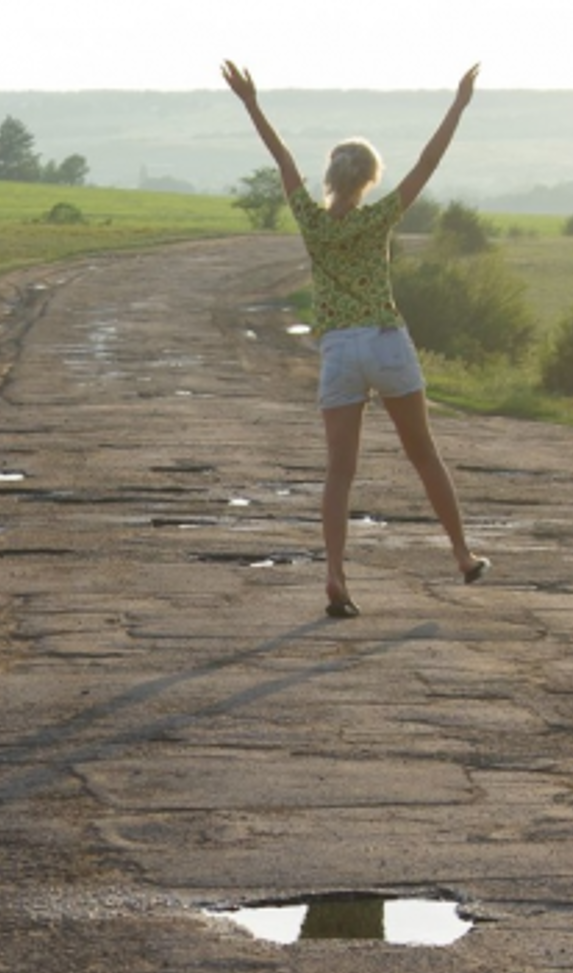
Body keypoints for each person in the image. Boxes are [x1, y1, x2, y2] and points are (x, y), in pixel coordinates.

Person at [221, 60, 490, 618]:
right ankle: (462, 555)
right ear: (367, 180)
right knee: (423, 455)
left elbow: (282, 158)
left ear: (331, 179)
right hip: (387, 342)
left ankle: (337, 576)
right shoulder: (379, 218)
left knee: (339, 472)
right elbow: (427, 163)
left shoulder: (311, 222)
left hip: (339, 350)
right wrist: (459, 104)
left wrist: (251, 102)